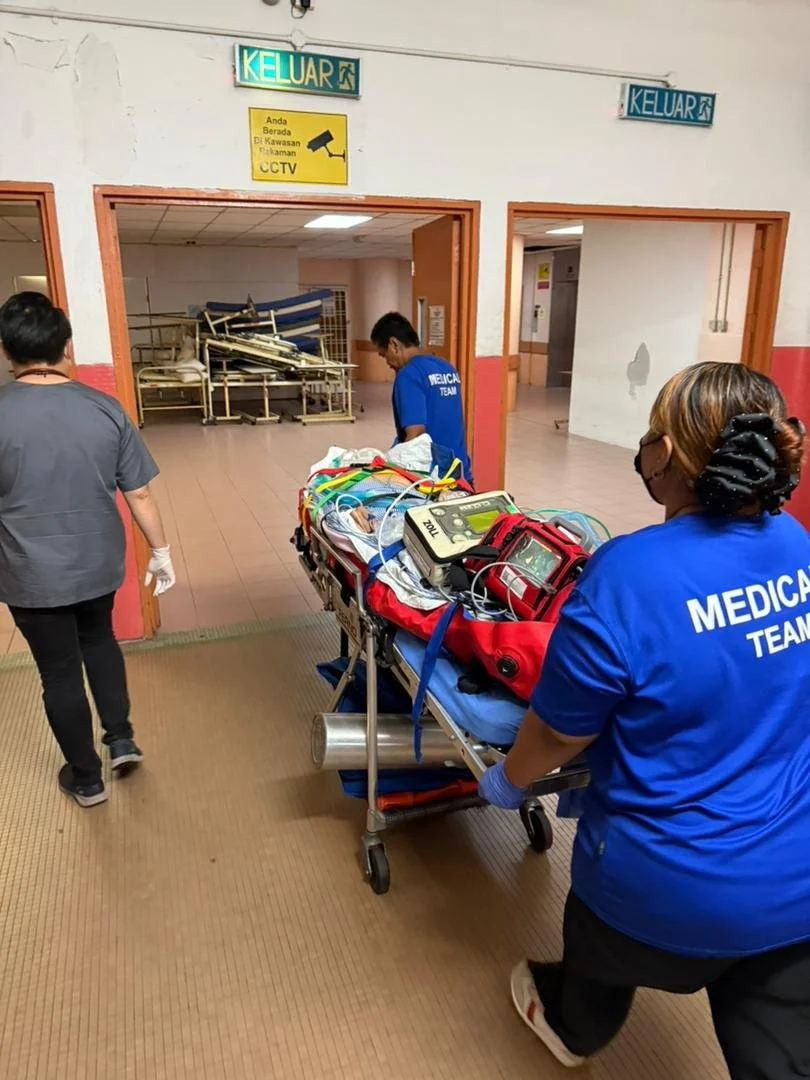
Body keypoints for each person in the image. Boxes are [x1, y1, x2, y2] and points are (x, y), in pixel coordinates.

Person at [479, 361, 810, 1077]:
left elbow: (563, 730)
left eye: (653, 434)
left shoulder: (629, 573)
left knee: (592, 981)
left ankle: (570, 1023)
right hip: (795, 880)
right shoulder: (799, 545)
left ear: (668, 455)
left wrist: (507, 781)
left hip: (662, 881)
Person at [0, 292, 176, 808]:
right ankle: (120, 738)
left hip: (28, 573)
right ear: (66, 346)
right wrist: (160, 550)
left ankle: (86, 778)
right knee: (99, 641)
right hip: (96, 564)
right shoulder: (104, 408)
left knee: (57, 670)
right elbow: (138, 491)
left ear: (8, 351)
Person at [370, 311, 472, 482]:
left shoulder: (408, 375)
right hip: (459, 472)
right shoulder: (446, 367)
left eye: (383, 355)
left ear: (393, 344)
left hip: (433, 480)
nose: (387, 362)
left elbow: (415, 436)